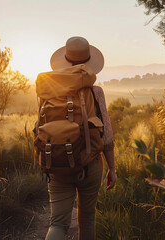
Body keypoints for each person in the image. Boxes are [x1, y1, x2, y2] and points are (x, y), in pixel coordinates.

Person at [44, 36, 116, 240]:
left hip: (56, 162)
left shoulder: (47, 92)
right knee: (87, 220)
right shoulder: (96, 92)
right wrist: (112, 168)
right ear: (89, 63)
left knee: (57, 224)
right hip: (90, 163)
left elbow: (42, 128)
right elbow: (107, 137)